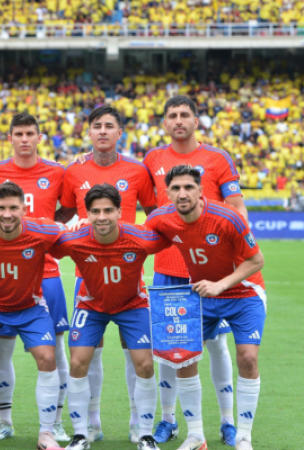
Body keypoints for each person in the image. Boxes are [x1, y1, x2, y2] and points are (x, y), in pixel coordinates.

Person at [143, 96, 247, 445]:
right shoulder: (152, 159)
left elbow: (237, 208)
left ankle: (227, 421)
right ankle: (168, 420)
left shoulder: (217, 158)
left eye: (185, 114)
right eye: (172, 115)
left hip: (209, 270)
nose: (178, 120)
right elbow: (149, 209)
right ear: (164, 122)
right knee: (168, 347)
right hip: (167, 268)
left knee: (216, 344)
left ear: (196, 121)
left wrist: (235, 256)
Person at [146, 165, 265, 450]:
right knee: (183, 359)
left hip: (244, 293)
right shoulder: (160, 219)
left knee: (248, 358)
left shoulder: (228, 217)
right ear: (167, 193)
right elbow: (136, 242)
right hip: (202, 295)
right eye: (176, 188)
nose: (182, 194)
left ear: (201, 191)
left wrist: (220, 285)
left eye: (189, 187)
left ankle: (243, 437)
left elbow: (257, 260)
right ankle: (196, 436)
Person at [56, 106, 157, 443]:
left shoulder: (137, 170)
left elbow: (156, 214)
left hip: (129, 276)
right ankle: (91, 425)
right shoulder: (74, 171)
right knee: (89, 352)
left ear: (119, 132)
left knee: (137, 354)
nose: (102, 131)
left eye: (109, 125)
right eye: (96, 125)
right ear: (88, 132)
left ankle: (138, 425)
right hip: (88, 277)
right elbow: (62, 215)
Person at [0, 113, 70, 442]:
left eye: (30, 133)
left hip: (47, 272)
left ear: (40, 137)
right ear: (10, 138)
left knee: (54, 349)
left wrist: (48, 228)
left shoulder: (56, 172)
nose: (24, 139)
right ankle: (4, 421)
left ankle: (56, 422)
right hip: (3, 271)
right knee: (2, 348)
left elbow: (68, 209)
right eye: (19, 134)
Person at [51, 183, 170, 450]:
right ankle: (81, 435)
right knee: (78, 363)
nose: (101, 217)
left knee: (145, 365)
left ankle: (145, 435)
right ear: (87, 214)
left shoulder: (140, 237)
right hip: (91, 306)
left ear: (119, 211)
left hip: (133, 305)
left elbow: (174, 235)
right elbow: (46, 244)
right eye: (95, 211)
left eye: (108, 210)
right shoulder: (74, 239)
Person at [0, 181, 65, 450]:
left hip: (29, 307)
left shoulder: (42, 231)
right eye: (2, 208)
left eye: (13, 208)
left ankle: (47, 433)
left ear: (24, 209)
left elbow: (74, 235)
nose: (7, 214)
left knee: (48, 358)